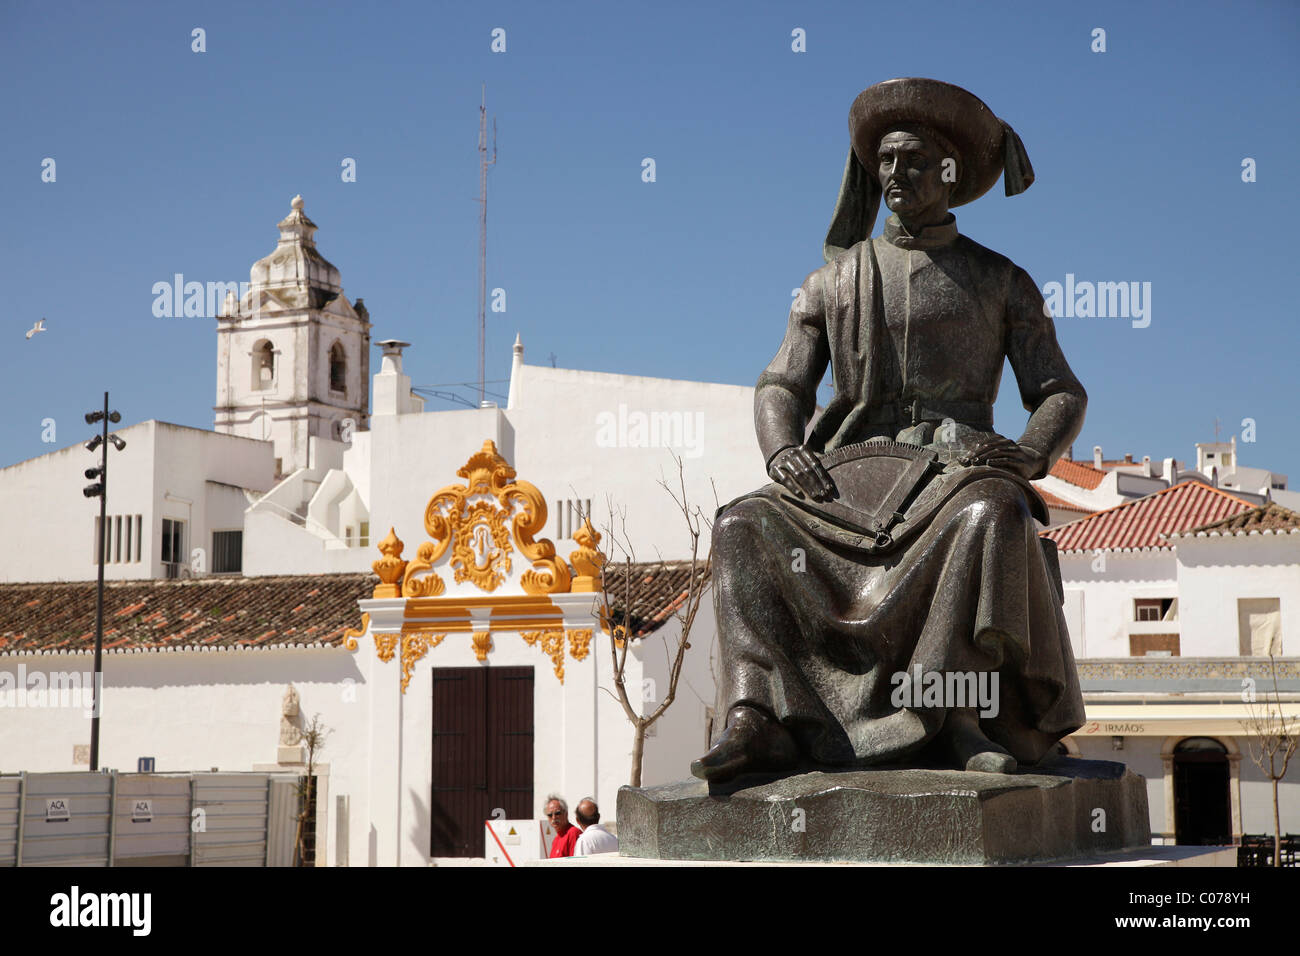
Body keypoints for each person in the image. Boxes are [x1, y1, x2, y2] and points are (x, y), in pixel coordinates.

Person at [692, 78, 1088, 784]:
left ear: (950, 172)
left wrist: (1030, 452)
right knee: (740, 525)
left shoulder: (1001, 281)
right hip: (847, 476)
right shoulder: (832, 282)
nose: (895, 175)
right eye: (885, 163)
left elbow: (1059, 390)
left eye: (911, 160)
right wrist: (784, 449)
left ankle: (958, 718)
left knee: (990, 512)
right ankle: (758, 717)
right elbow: (781, 384)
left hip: (956, 471)